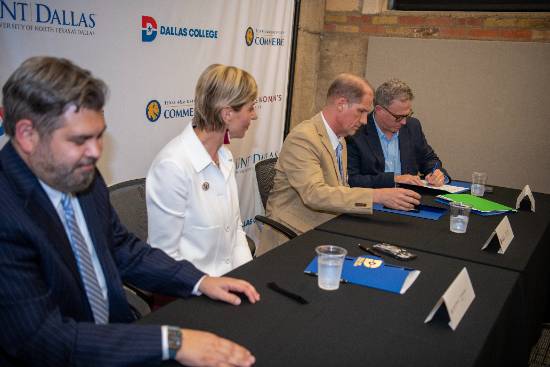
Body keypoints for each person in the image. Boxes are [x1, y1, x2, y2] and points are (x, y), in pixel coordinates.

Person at [0, 56, 260, 367]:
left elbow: (124, 248)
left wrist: (200, 281)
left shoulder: (81, 174)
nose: (96, 153)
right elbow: (44, 340)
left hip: (119, 334)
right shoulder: (7, 212)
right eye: (80, 140)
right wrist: (172, 341)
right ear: (28, 135)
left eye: (99, 136)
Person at [257, 73, 420, 256]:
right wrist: (378, 195)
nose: (365, 120)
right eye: (361, 111)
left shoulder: (340, 138)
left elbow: (340, 188)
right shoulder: (303, 138)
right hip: (292, 238)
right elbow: (315, 194)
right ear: (341, 104)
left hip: (327, 225)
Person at [146, 64, 256, 276]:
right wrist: (213, 288)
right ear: (227, 114)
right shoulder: (172, 166)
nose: (255, 115)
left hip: (225, 285)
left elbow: (235, 231)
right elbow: (164, 259)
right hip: (187, 294)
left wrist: (247, 279)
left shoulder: (225, 157)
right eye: (250, 108)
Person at [347, 78, 450, 189]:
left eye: (407, 114)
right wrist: (394, 179)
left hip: (411, 199)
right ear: (379, 110)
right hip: (376, 202)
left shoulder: (413, 126)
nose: (404, 122)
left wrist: (436, 173)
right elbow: (352, 179)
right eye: (398, 117)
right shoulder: (355, 132)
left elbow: (429, 159)